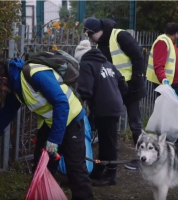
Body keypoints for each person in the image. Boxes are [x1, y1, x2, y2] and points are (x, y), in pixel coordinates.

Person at [0, 58, 94, 200]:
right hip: (50, 123)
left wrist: (54, 140)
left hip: (72, 121)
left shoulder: (36, 74)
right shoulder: (16, 87)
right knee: (42, 167)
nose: (2, 92)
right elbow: (8, 112)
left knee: (76, 169)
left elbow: (61, 103)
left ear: (4, 80)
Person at [83, 17, 147, 170]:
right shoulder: (100, 44)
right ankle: (109, 162)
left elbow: (138, 56)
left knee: (135, 124)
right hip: (116, 88)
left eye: (90, 35)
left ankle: (142, 159)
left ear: (97, 32)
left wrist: (136, 81)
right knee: (110, 125)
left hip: (132, 87)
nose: (91, 39)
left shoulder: (120, 36)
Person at [75, 40, 128, 186]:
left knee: (109, 142)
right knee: (106, 139)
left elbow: (85, 90)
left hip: (104, 107)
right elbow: (123, 84)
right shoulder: (107, 63)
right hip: (113, 105)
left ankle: (111, 174)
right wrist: (115, 96)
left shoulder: (86, 64)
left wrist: (76, 103)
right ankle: (100, 169)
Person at [146, 22, 178, 143]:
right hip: (168, 85)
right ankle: (173, 139)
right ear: (176, 34)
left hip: (172, 84)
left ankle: (173, 138)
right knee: (171, 113)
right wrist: (164, 80)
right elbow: (158, 64)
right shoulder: (163, 42)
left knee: (173, 112)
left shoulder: (168, 42)